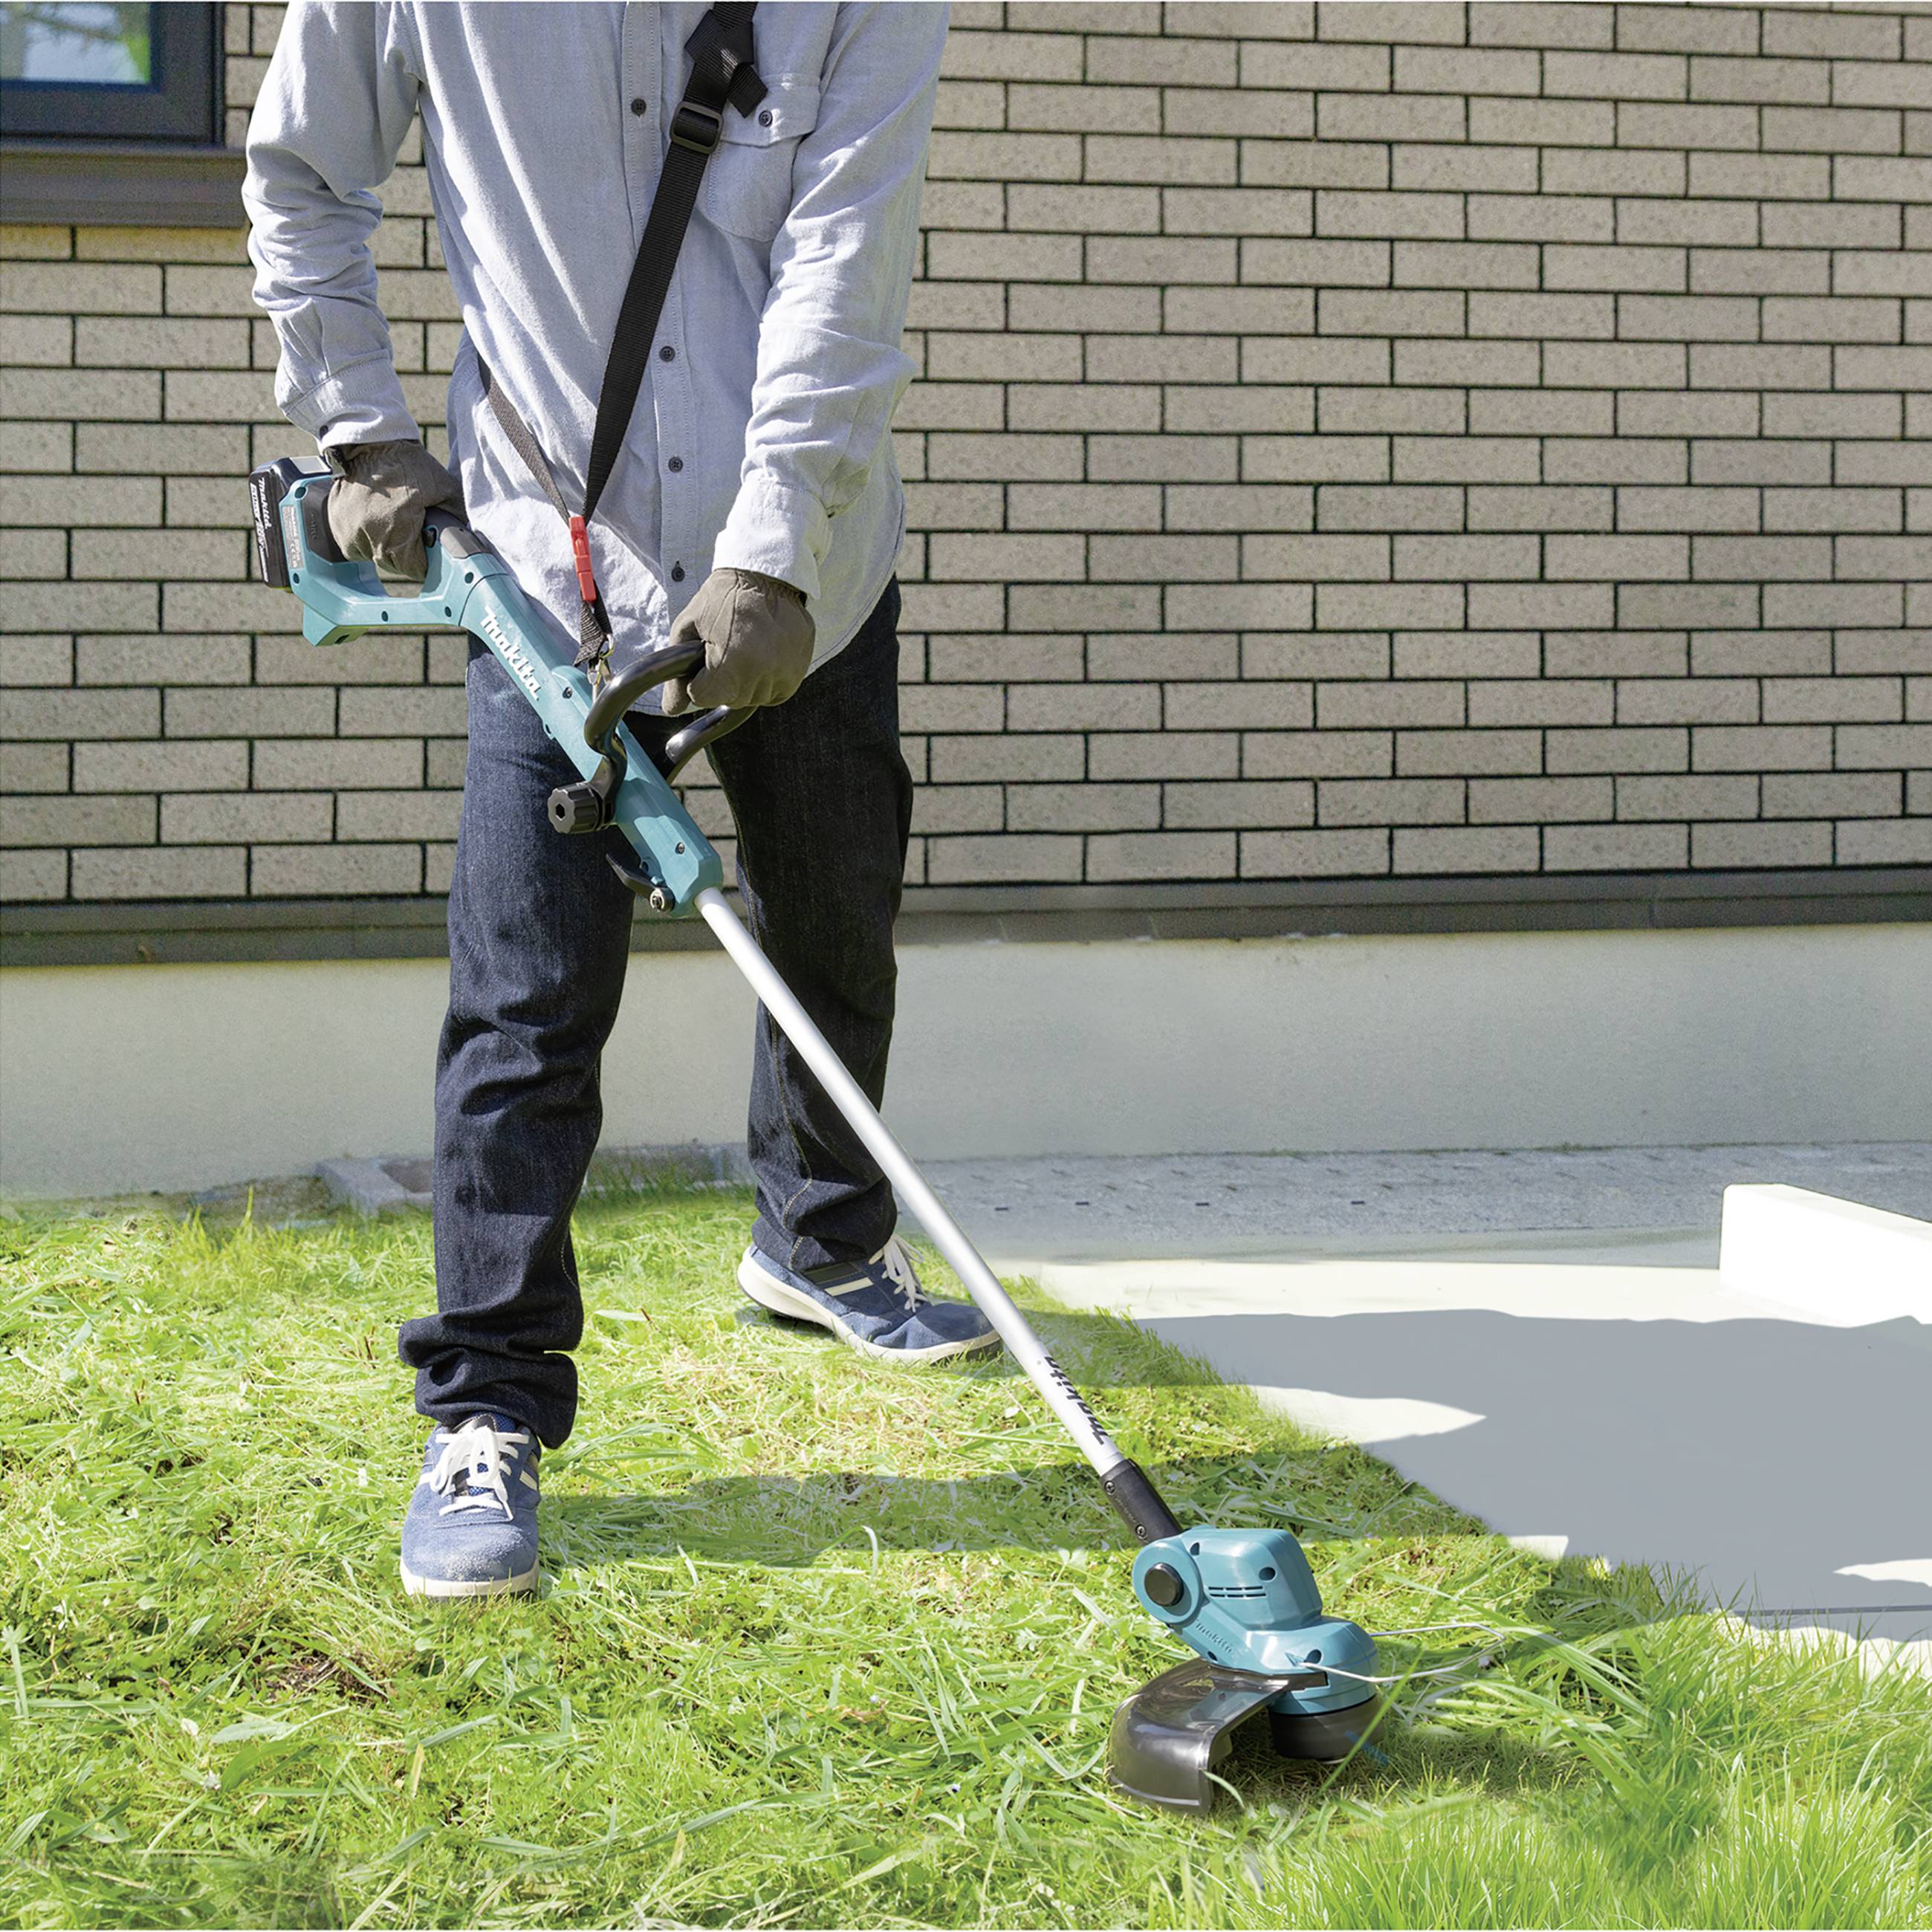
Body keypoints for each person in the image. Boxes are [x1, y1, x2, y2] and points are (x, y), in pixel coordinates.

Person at [245, 1, 993, 1601]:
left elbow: (843, 267)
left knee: (834, 918)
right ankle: (488, 1401)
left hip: (802, 568)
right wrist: (360, 425)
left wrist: (773, 554)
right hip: (551, 563)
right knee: (527, 992)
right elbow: (304, 168)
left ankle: (821, 1242)